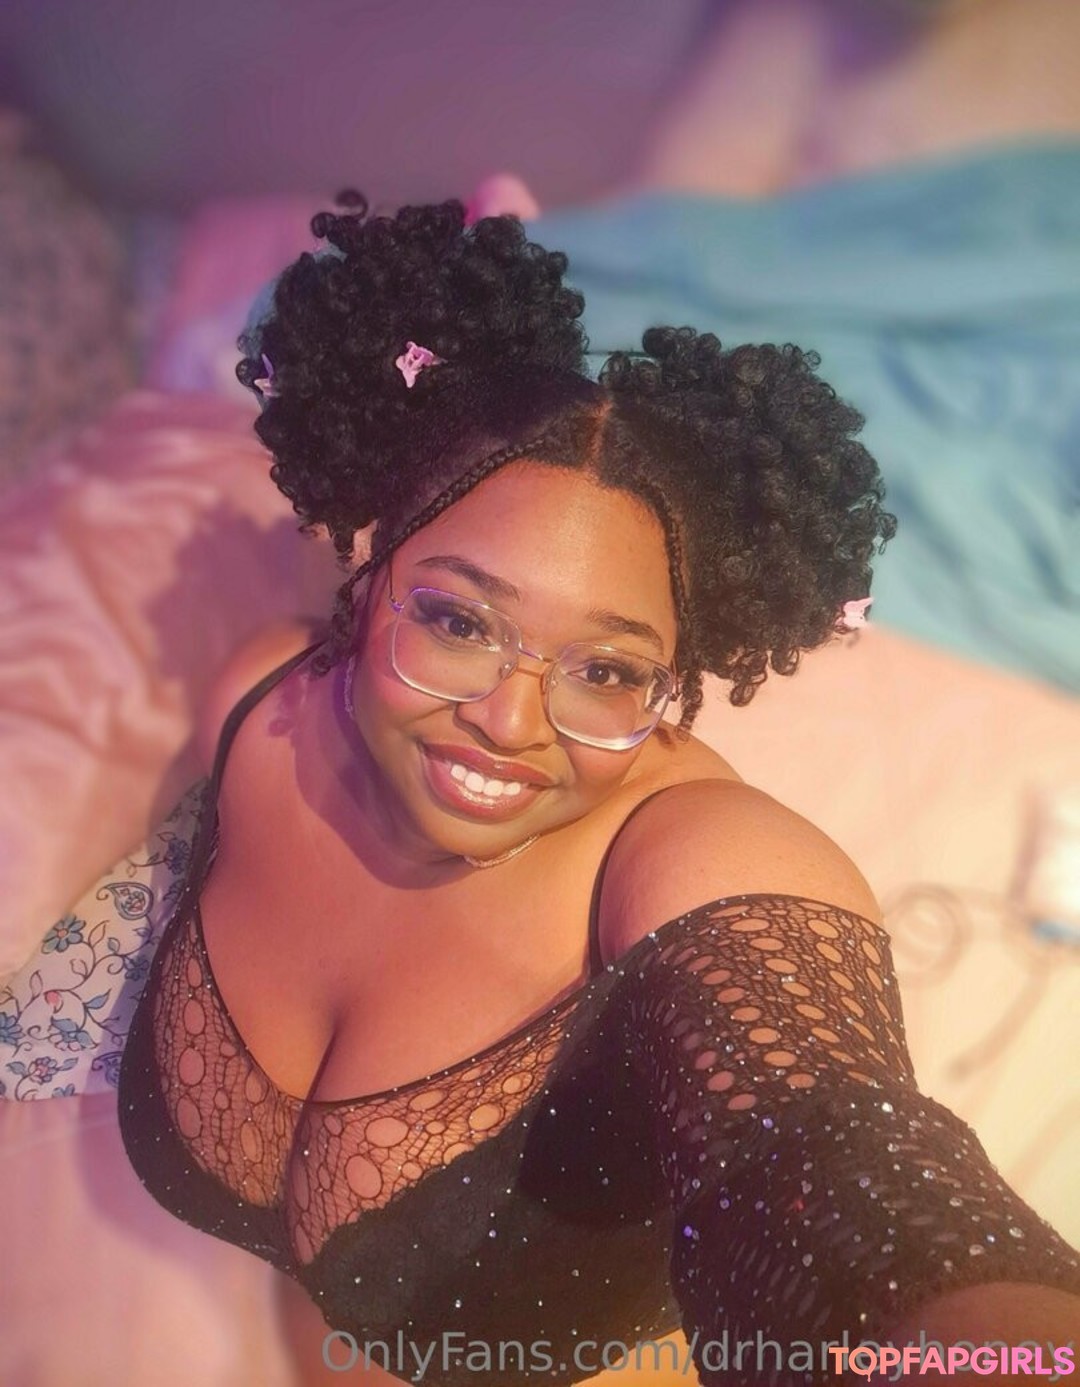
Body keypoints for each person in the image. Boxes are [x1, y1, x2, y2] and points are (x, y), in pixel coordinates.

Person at [107, 196, 1079, 1386]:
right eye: (460, 621)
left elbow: (844, 1171)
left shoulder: (690, 859)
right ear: (372, 563)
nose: (511, 723)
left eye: (608, 671)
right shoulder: (256, 709)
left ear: (673, 684)